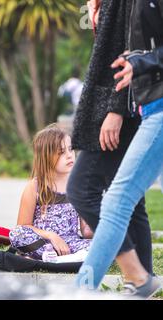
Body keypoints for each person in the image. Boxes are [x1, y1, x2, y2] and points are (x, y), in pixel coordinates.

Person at [75, 0, 163, 298]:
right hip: (146, 106)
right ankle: (141, 280)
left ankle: (85, 289)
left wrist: (116, 107)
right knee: (123, 198)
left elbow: (128, 52)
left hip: (142, 107)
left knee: (98, 194)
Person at [9, 124, 92, 262]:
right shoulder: (35, 187)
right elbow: (23, 226)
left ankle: (58, 260)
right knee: (17, 234)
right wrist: (52, 236)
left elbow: (86, 231)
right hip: (44, 243)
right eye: (61, 152)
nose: (69, 155)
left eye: (70, 149)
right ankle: (51, 257)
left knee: (106, 246)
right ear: (46, 157)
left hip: (70, 243)